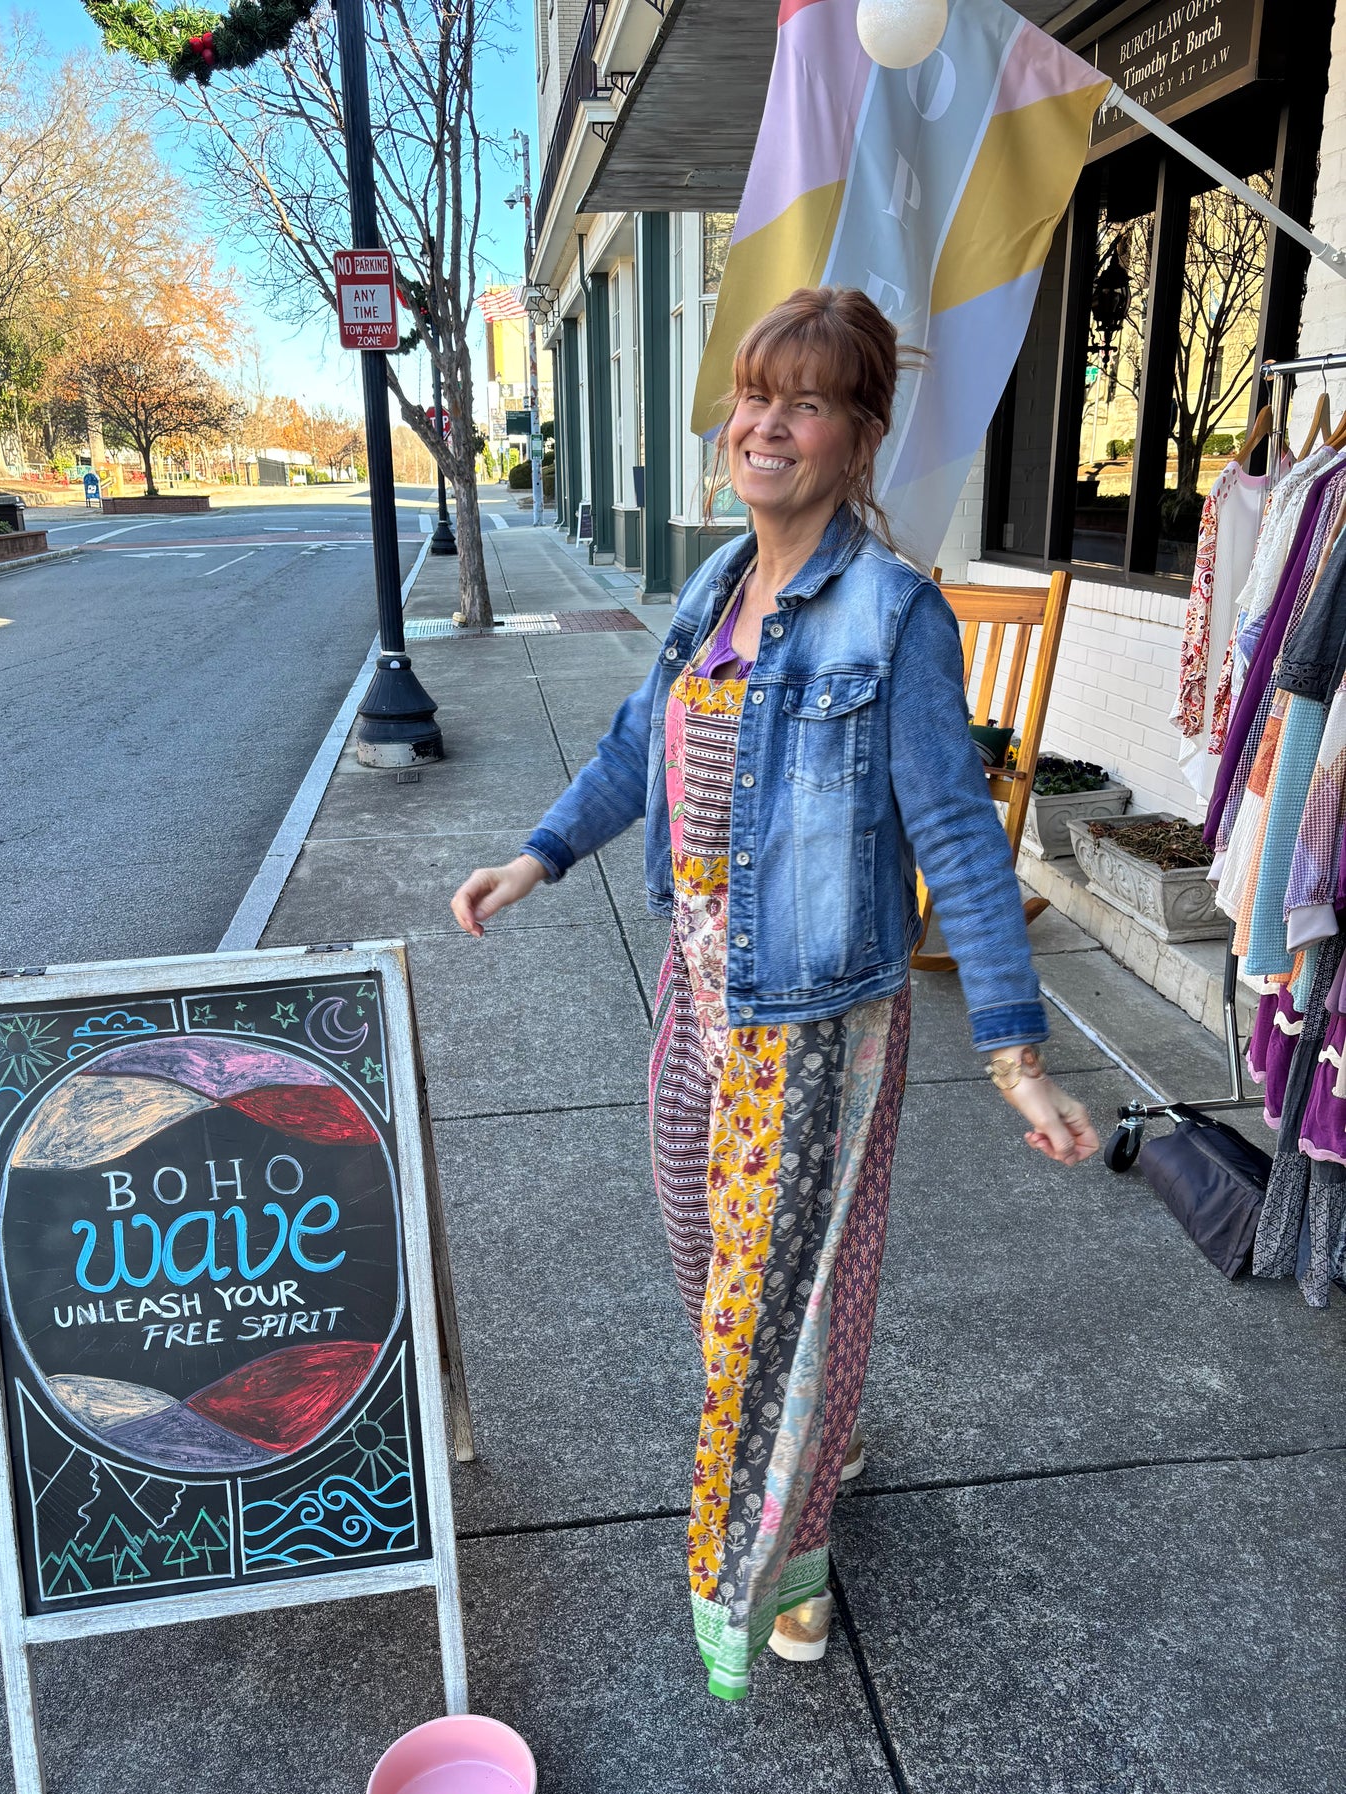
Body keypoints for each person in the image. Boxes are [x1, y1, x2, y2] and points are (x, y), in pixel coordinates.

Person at [451, 286, 1098, 1701]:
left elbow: (954, 839)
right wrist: (538, 853)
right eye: (754, 393)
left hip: (814, 1025)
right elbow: (638, 741)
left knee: (774, 1310)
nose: (766, 423)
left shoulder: (891, 617)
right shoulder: (713, 585)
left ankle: (785, 1562)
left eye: (803, 401)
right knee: (703, 1255)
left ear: (858, 438)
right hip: (702, 997)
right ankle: (823, 1436)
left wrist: (1015, 1054)